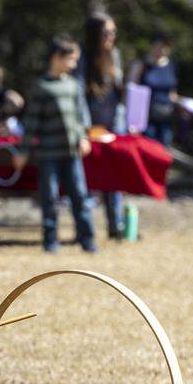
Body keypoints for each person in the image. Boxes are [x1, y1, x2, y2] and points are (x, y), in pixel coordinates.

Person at [18, 36, 97, 253]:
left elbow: (81, 116)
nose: (74, 64)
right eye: (71, 59)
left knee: (79, 196)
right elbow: (31, 122)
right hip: (48, 153)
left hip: (71, 153)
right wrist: (23, 150)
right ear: (56, 58)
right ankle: (51, 241)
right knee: (50, 197)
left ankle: (87, 239)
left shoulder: (73, 85)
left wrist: (83, 137)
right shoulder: (41, 87)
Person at [78, 13, 125, 239]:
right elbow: (78, 96)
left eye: (114, 32)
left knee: (113, 178)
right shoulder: (82, 59)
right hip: (88, 129)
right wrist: (86, 128)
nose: (111, 37)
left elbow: (118, 94)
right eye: (106, 32)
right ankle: (85, 231)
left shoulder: (114, 56)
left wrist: (119, 126)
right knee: (85, 181)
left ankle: (116, 226)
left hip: (112, 127)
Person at [128, 33, 179, 147]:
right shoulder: (142, 65)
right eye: (158, 46)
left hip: (166, 117)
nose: (161, 49)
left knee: (163, 151)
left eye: (164, 46)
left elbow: (172, 92)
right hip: (146, 118)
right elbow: (132, 90)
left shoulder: (171, 66)